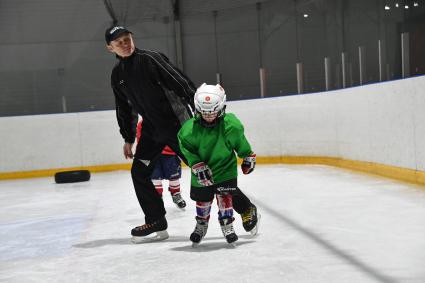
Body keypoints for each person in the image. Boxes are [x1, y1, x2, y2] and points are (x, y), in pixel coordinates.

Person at [105, 25, 258, 243]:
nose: (125, 44)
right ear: (110, 48)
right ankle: (156, 220)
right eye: (119, 42)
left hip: (178, 126)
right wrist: (128, 137)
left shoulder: (150, 60)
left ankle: (246, 208)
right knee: (139, 172)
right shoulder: (117, 75)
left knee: (208, 173)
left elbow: (179, 81)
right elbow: (123, 107)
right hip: (151, 129)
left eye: (127, 39)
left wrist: (198, 111)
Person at [178, 83, 260, 246]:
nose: (209, 116)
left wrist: (247, 155)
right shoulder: (188, 131)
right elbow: (186, 149)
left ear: (222, 107)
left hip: (225, 169)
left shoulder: (231, 126)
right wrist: (196, 164)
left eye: (213, 112)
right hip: (201, 172)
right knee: (203, 200)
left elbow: (240, 143)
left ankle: (227, 225)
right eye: (204, 112)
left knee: (225, 197)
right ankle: (201, 224)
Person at [136, 120, 186, 209]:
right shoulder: (142, 124)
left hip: (170, 154)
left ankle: (176, 194)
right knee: (155, 177)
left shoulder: (169, 120)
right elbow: (140, 139)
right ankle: (157, 198)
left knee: (174, 177)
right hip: (153, 154)